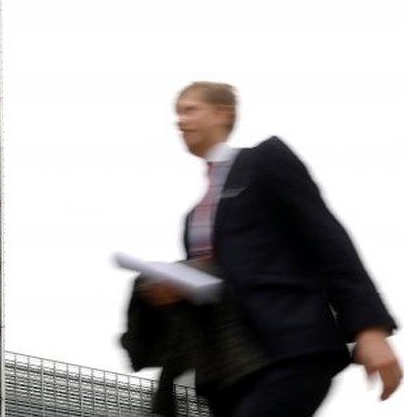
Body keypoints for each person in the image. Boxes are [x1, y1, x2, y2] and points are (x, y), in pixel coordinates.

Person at [143, 81, 401, 416]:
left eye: (190, 109)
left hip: (290, 353)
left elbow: (327, 240)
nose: (180, 120)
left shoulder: (264, 162)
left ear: (223, 113)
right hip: (231, 368)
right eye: (177, 113)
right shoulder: (193, 219)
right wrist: (177, 286)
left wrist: (370, 329)